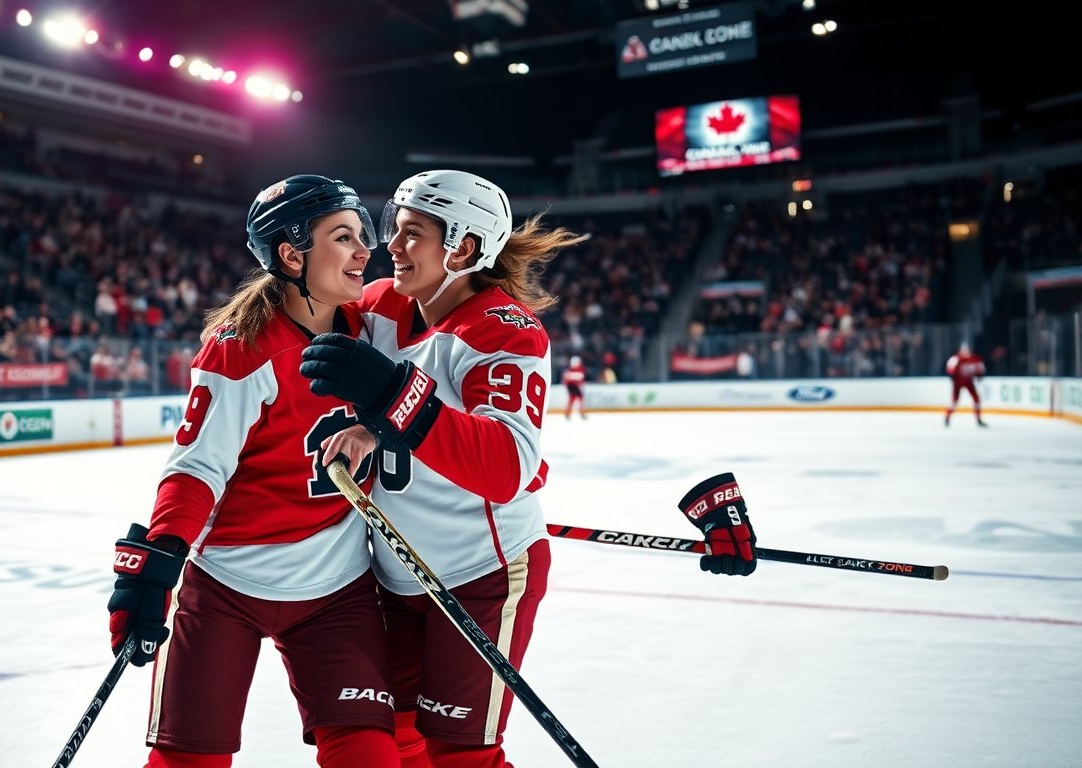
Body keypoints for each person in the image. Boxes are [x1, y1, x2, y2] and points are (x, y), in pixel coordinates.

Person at [302, 170, 760, 768]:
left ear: (463, 248)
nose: (392, 244)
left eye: (412, 233)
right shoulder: (385, 304)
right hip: (395, 572)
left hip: (482, 573)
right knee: (393, 736)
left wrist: (391, 396)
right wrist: (371, 423)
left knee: (460, 753)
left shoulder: (503, 329)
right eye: (394, 228)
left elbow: (508, 465)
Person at [105, 174, 399, 768]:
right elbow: (196, 468)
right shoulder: (241, 347)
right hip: (227, 589)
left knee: (369, 755)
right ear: (292, 255)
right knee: (188, 761)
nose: (366, 250)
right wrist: (161, 557)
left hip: (336, 587)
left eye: (363, 234)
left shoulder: (375, 323)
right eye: (344, 237)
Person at [945, 341, 987, 427]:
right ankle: (947, 417)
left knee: (976, 399)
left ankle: (978, 419)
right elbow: (950, 370)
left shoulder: (975, 359)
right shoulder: (956, 359)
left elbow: (980, 369)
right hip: (958, 382)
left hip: (968, 382)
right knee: (955, 401)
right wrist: (952, 376)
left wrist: (979, 375)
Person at [561, 354, 587, 420]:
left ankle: (578, 413)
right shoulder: (570, 370)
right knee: (574, 398)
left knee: (577, 398)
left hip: (575, 386)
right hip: (571, 386)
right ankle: (569, 413)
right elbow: (566, 379)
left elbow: (581, 378)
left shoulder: (579, 369)